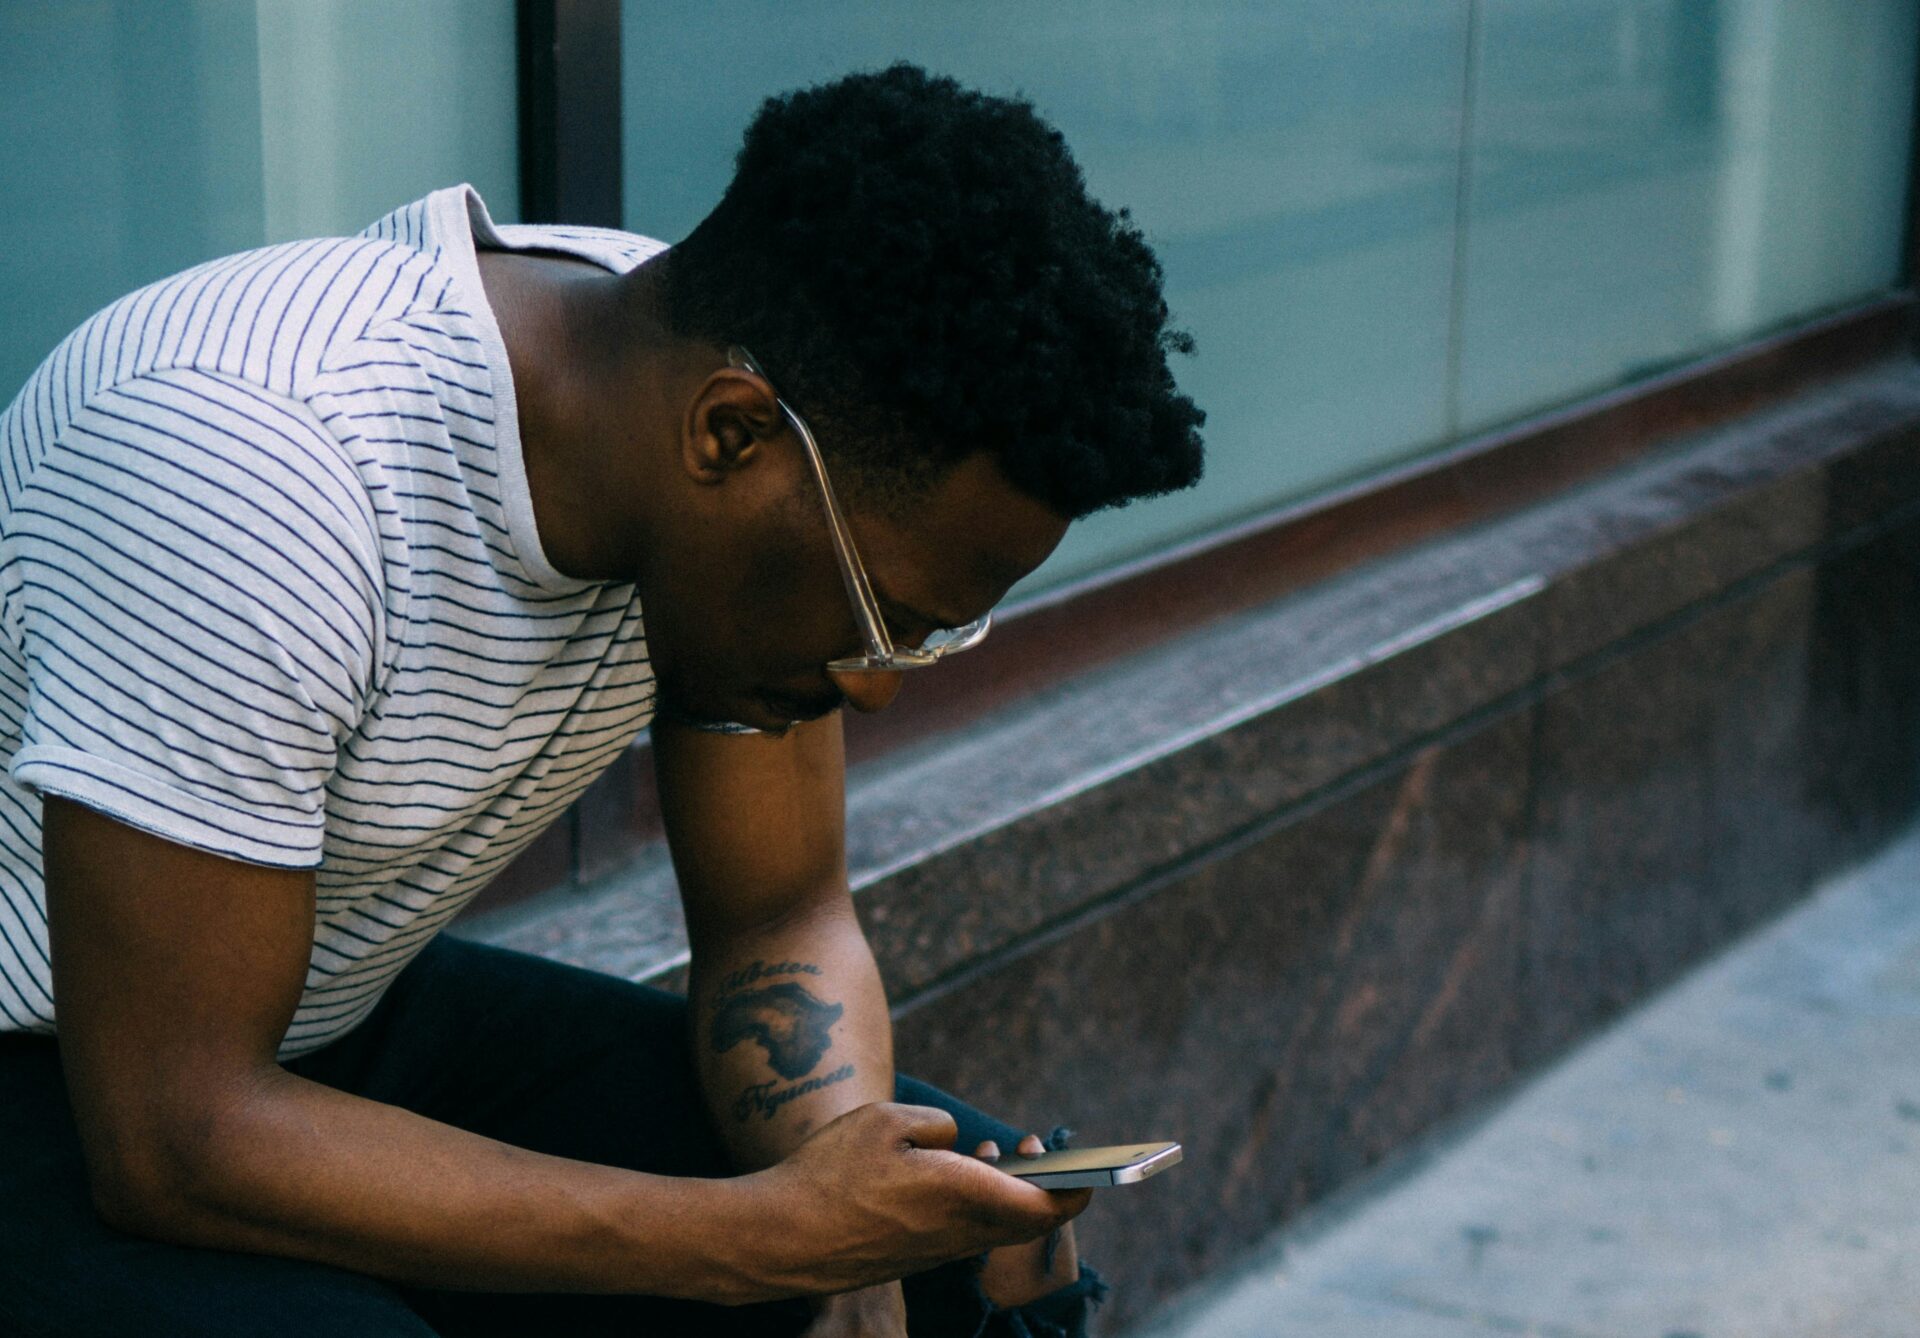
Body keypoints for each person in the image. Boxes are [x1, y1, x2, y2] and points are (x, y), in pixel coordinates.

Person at [0, 63, 1204, 1336]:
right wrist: (758, 1243)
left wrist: (844, 1236)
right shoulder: (256, 473)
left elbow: (778, 915)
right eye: (882, 618)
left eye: (934, 636)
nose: (876, 683)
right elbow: (177, 1138)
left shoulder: (731, 394)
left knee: (960, 1238)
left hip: (322, 1010)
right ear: (730, 439)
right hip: (83, 1076)